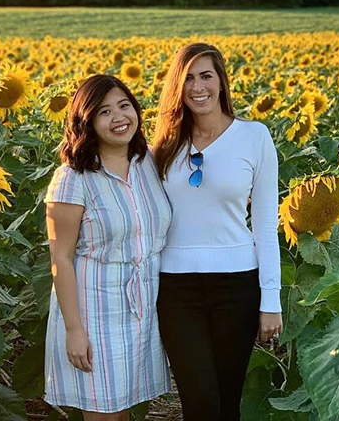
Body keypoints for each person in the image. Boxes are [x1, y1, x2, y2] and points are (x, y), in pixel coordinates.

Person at [152, 43, 283, 421]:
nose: (197, 87)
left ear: (221, 82)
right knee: (200, 403)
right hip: (177, 291)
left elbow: (264, 225)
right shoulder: (163, 146)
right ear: (177, 87)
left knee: (228, 404)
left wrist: (270, 300)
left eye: (206, 76)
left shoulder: (255, 137)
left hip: (237, 287)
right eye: (188, 78)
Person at [43, 74, 172, 420]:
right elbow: (61, 256)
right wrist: (74, 330)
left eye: (124, 106)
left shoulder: (149, 162)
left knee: (124, 407)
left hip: (141, 308)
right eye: (104, 112)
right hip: (94, 311)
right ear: (86, 122)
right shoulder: (72, 177)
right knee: (101, 410)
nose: (119, 118)